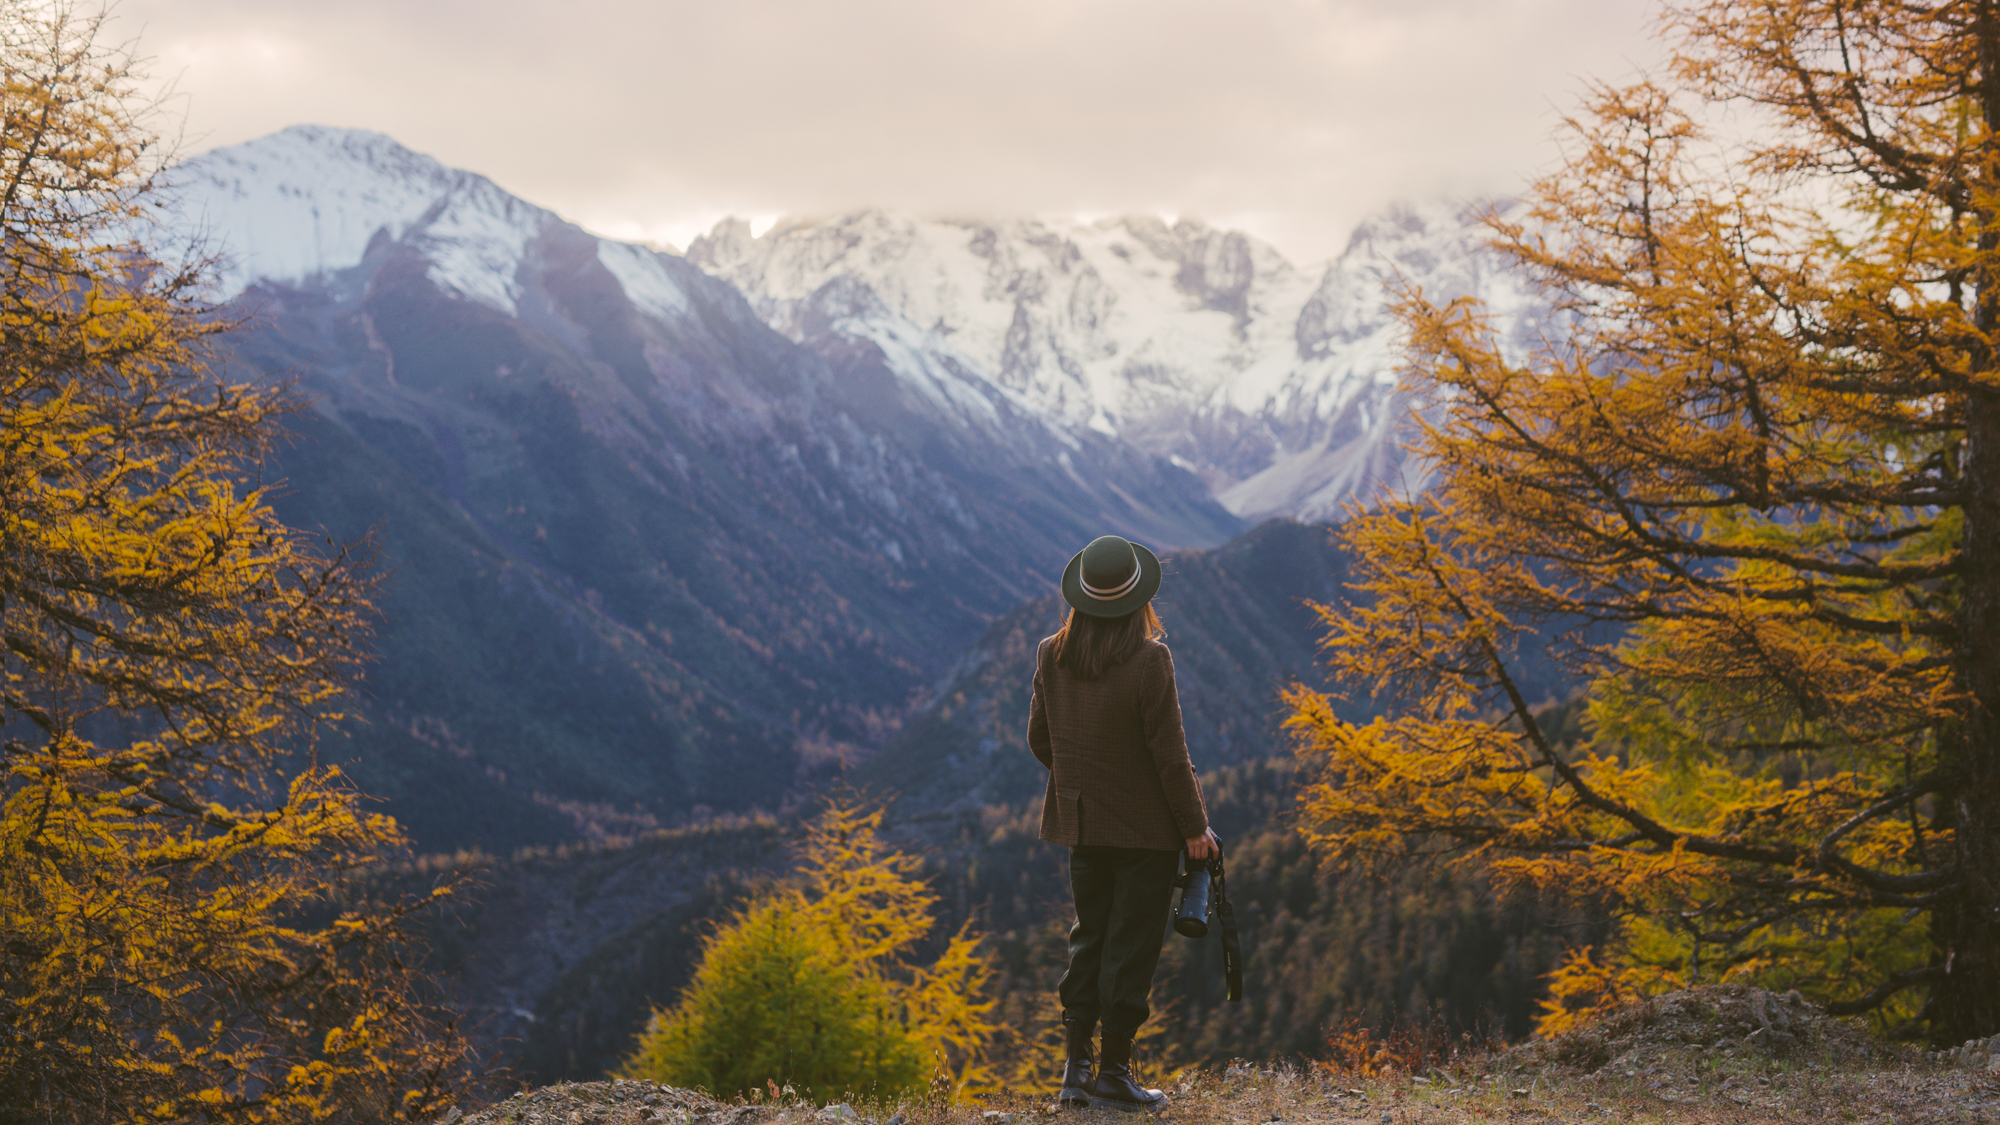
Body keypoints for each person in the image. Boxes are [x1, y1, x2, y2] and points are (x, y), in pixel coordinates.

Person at [1027, 534, 1216, 1113]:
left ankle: (1074, 1074)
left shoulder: (1050, 654)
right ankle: (1114, 1074)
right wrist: (1195, 828)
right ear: (1139, 600)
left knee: (1088, 938)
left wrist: (1084, 777)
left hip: (1080, 825)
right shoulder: (1149, 659)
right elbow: (1169, 754)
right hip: (1144, 834)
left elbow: (1040, 740)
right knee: (1130, 948)